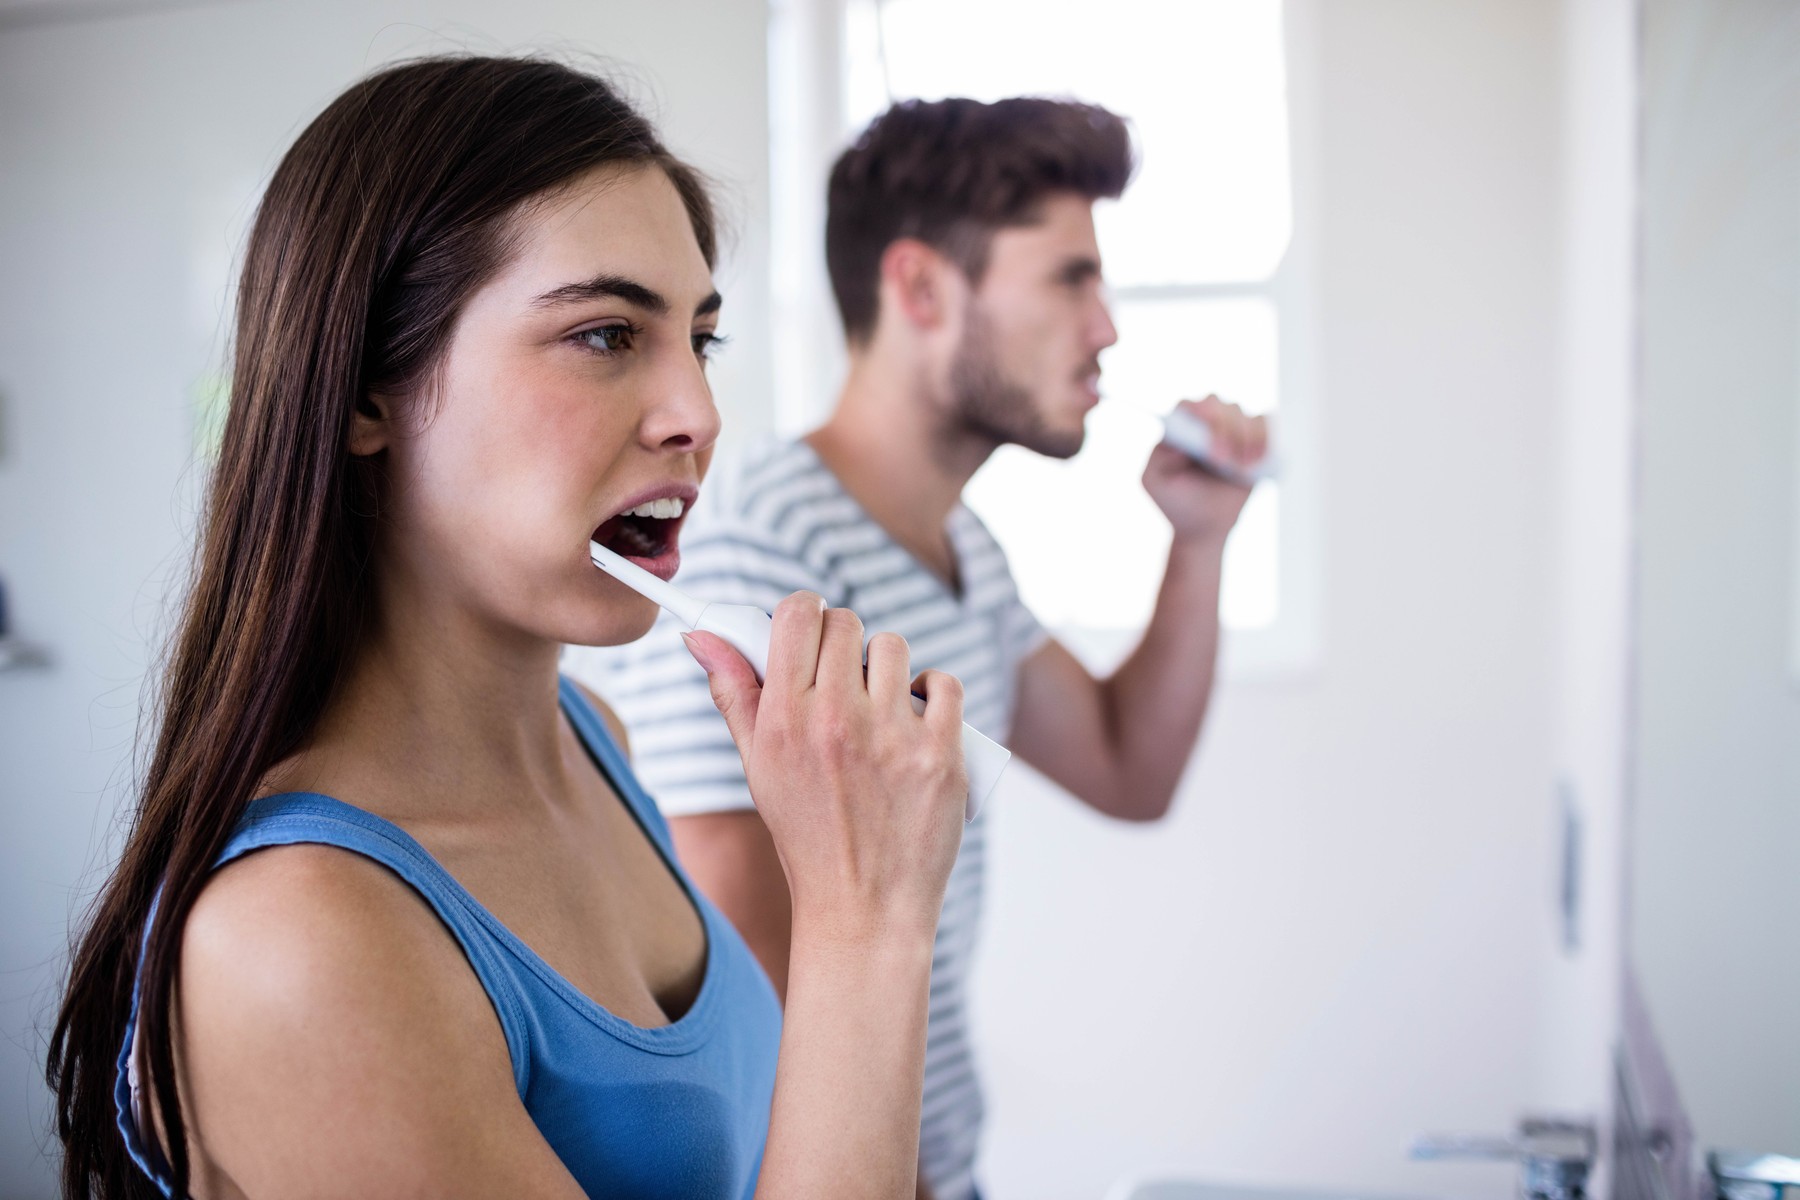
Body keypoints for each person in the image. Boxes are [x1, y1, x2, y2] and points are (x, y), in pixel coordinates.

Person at [47, 56, 971, 1200]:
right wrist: (864, 918)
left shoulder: (598, 746)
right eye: (604, 336)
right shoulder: (295, 941)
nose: (698, 415)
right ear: (363, 396)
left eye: (701, 340)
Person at [570, 96, 1269, 1200]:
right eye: (1070, 278)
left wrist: (1199, 542)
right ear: (922, 288)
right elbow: (747, 1002)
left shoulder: (965, 551)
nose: (1108, 327)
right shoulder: (760, 540)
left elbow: (1131, 770)